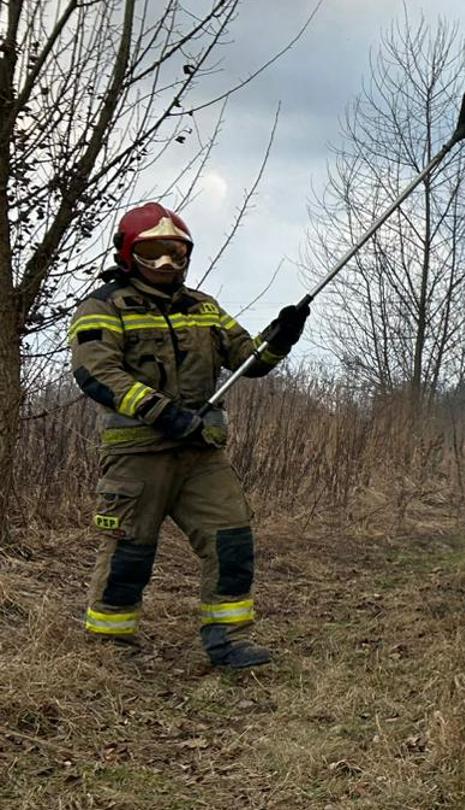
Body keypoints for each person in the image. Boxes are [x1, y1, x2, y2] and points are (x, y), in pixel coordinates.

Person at [67, 201, 309, 669]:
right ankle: (109, 645)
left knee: (231, 540)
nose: (166, 264)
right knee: (129, 550)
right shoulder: (102, 308)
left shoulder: (204, 309)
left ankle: (229, 640)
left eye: (176, 253)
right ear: (127, 254)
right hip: (138, 453)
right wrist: (164, 413)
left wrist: (281, 337)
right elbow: (96, 373)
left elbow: (249, 362)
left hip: (201, 452)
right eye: (153, 252)